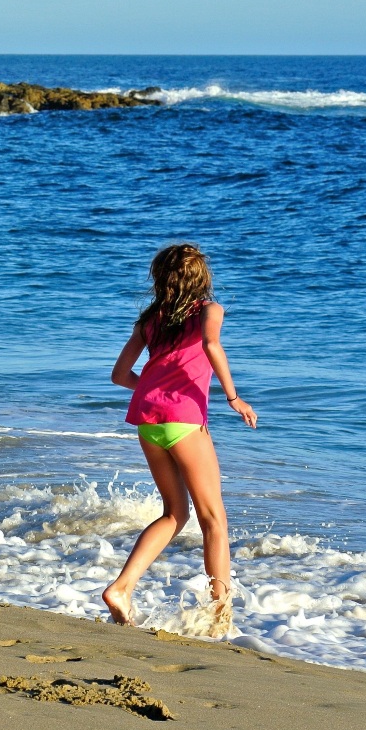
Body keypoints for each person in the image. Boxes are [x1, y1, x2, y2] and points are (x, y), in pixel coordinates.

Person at [101, 244, 257, 635]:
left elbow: (120, 375)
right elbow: (210, 344)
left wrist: (154, 391)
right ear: (201, 278)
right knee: (214, 520)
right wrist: (234, 397)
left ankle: (121, 589)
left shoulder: (149, 319)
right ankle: (219, 617)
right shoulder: (209, 311)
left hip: (148, 422)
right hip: (184, 423)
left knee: (175, 513)